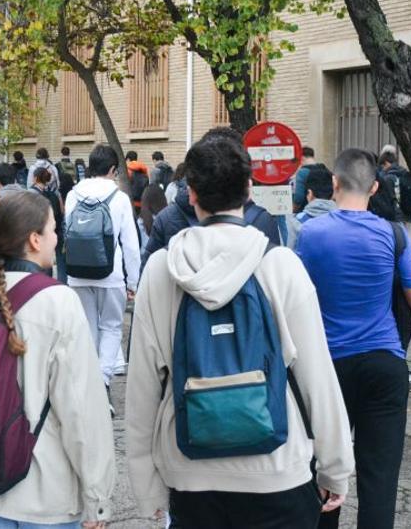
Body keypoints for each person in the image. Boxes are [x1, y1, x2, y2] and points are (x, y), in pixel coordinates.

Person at [126, 136, 354, 529]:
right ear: (249, 190)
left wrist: (147, 488)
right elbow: (318, 376)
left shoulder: (162, 271)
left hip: (190, 474)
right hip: (277, 470)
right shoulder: (280, 265)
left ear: (191, 193)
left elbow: (143, 388)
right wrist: (335, 469)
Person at [0, 191, 114, 529]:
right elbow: (81, 409)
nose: (56, 237)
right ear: (34, 239)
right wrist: (97, 497)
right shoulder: (59, 302)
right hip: (43, 493)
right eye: (52, 229)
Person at [295, 148, 411, 529]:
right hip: (384, 365)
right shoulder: (394, 235)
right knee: (380, 480)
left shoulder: (309, 235)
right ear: (374, 187)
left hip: (328, 368)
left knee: (324, 473)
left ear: (335, 183)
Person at [64, 144, 140, 408]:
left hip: (77, 273)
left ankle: (88, 386)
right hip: (111, 274)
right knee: (111, 327)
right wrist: (133, 281)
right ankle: (103, 382)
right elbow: (131, 245)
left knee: (87, 328)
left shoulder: (73, 195)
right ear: (113, 169)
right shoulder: (119, 198)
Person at [142, 129, 281, 270]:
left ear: (192, 193)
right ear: (248, 187)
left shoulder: (166, 220)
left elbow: (148, 276)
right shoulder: (262, 222)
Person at [31, 167, 67, 284]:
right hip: (57, 230)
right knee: (61, 262)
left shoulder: (31, 194)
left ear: (35, 178)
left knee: (44, 261)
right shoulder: (55, 194)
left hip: (41, 232)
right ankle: (62, 284)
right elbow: (62, 212)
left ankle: (46, 284)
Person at [289, 165, 336, 250]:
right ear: (333, 194)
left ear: (309, 193)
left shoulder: (297, 221)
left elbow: (290, 253)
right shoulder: (343, 220)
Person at [292, 146, 319, 214]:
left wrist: (294, 209)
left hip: (306, 211)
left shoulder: (302, 172)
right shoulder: (325, 170)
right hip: (323, 211)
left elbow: (299, 197)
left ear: (302, 158)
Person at [125, 150, 150, 216]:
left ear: (128, 159)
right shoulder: (144, 171)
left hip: (131, 202)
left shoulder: (128, 171)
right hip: (142, 202)